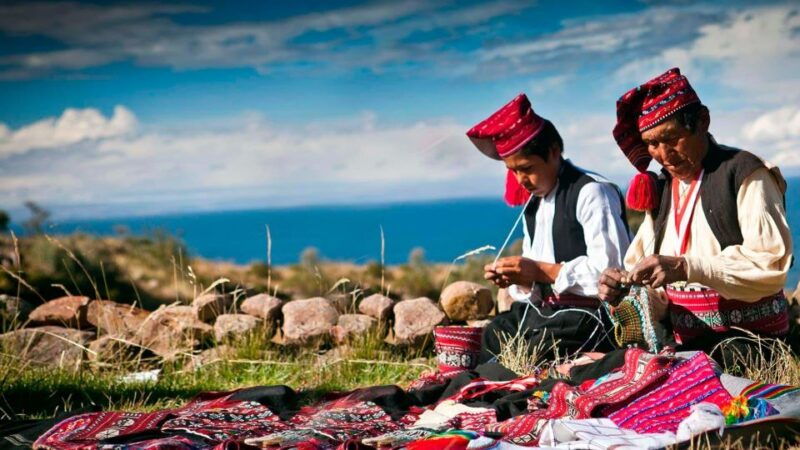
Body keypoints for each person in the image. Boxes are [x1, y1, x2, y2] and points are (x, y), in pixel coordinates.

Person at [598, 68, 793, 363]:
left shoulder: (746, 174)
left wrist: (686, 266)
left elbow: (771, 266)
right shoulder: (663, 188)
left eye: (672, 138)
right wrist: (623, 290)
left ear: (702, 121)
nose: (664, 155)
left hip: (749, 345)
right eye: (652, 144)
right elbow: (657, 292)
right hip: (685, 346)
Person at [466, 93, 631, 363]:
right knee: (495, 333)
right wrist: (519, 279)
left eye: (527, 168)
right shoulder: (534, 205)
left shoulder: (592, 192)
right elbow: (535, 286)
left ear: (554, 151)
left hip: (590, 318)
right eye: (513, 171)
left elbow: (613, 275)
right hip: (548, 314)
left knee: (535, 348)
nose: (521, 180)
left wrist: (542, 271)